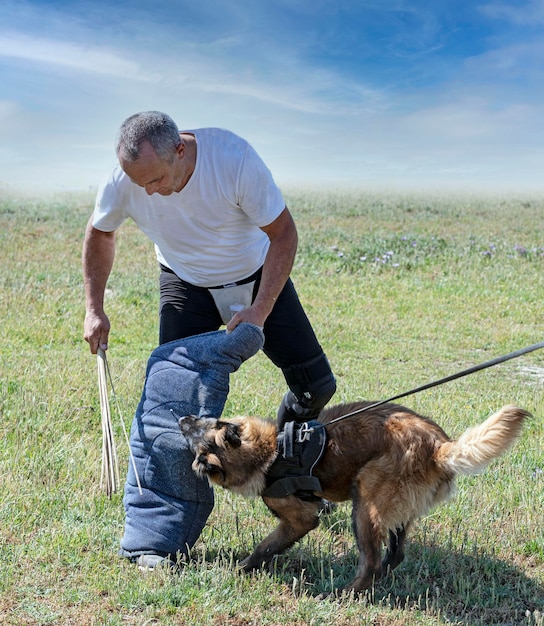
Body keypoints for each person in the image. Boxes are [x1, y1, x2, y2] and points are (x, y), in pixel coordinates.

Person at [82, 111, 336, 566]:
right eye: (139, 183)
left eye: (156, 180)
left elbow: (284, 235)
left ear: (180, 149)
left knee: (315, 386)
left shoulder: (233, 160)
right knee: (175, 414)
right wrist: (94, 308)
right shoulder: (126, 181)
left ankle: (288, 475)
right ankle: (158, 535)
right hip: (185, 283)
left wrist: (258, 310)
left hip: (254, 276)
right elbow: (101, 233)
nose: (148, 193)